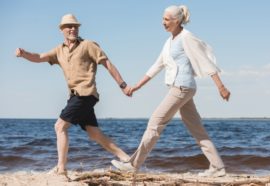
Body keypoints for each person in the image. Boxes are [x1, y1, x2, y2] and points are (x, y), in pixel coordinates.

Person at [111, 5, 230, 177]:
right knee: (197, 129)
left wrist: (221, 86)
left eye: (166, 19)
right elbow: (157, 65)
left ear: (178, 20)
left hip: (181, 87)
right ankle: (218, 168)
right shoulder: (169, 42)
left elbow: (205, 61)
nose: (163, 22)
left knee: (154, 123)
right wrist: (136, 86)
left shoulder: (186, 37)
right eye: (163, 19)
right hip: (183, 88)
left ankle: (133, 165)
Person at [15, 14, 131, 175]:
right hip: (75, 96)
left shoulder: (88, 45)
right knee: (94, 133)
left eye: (75, 26)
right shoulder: (59, 50)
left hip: (86, 94)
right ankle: (127, 159)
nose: (72, 29)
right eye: (68, 26)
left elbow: (108, 64)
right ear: (61, 30)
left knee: (59, 126)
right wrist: (24, 54)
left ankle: (61, 169)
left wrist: (122, 85)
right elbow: (40, 57)